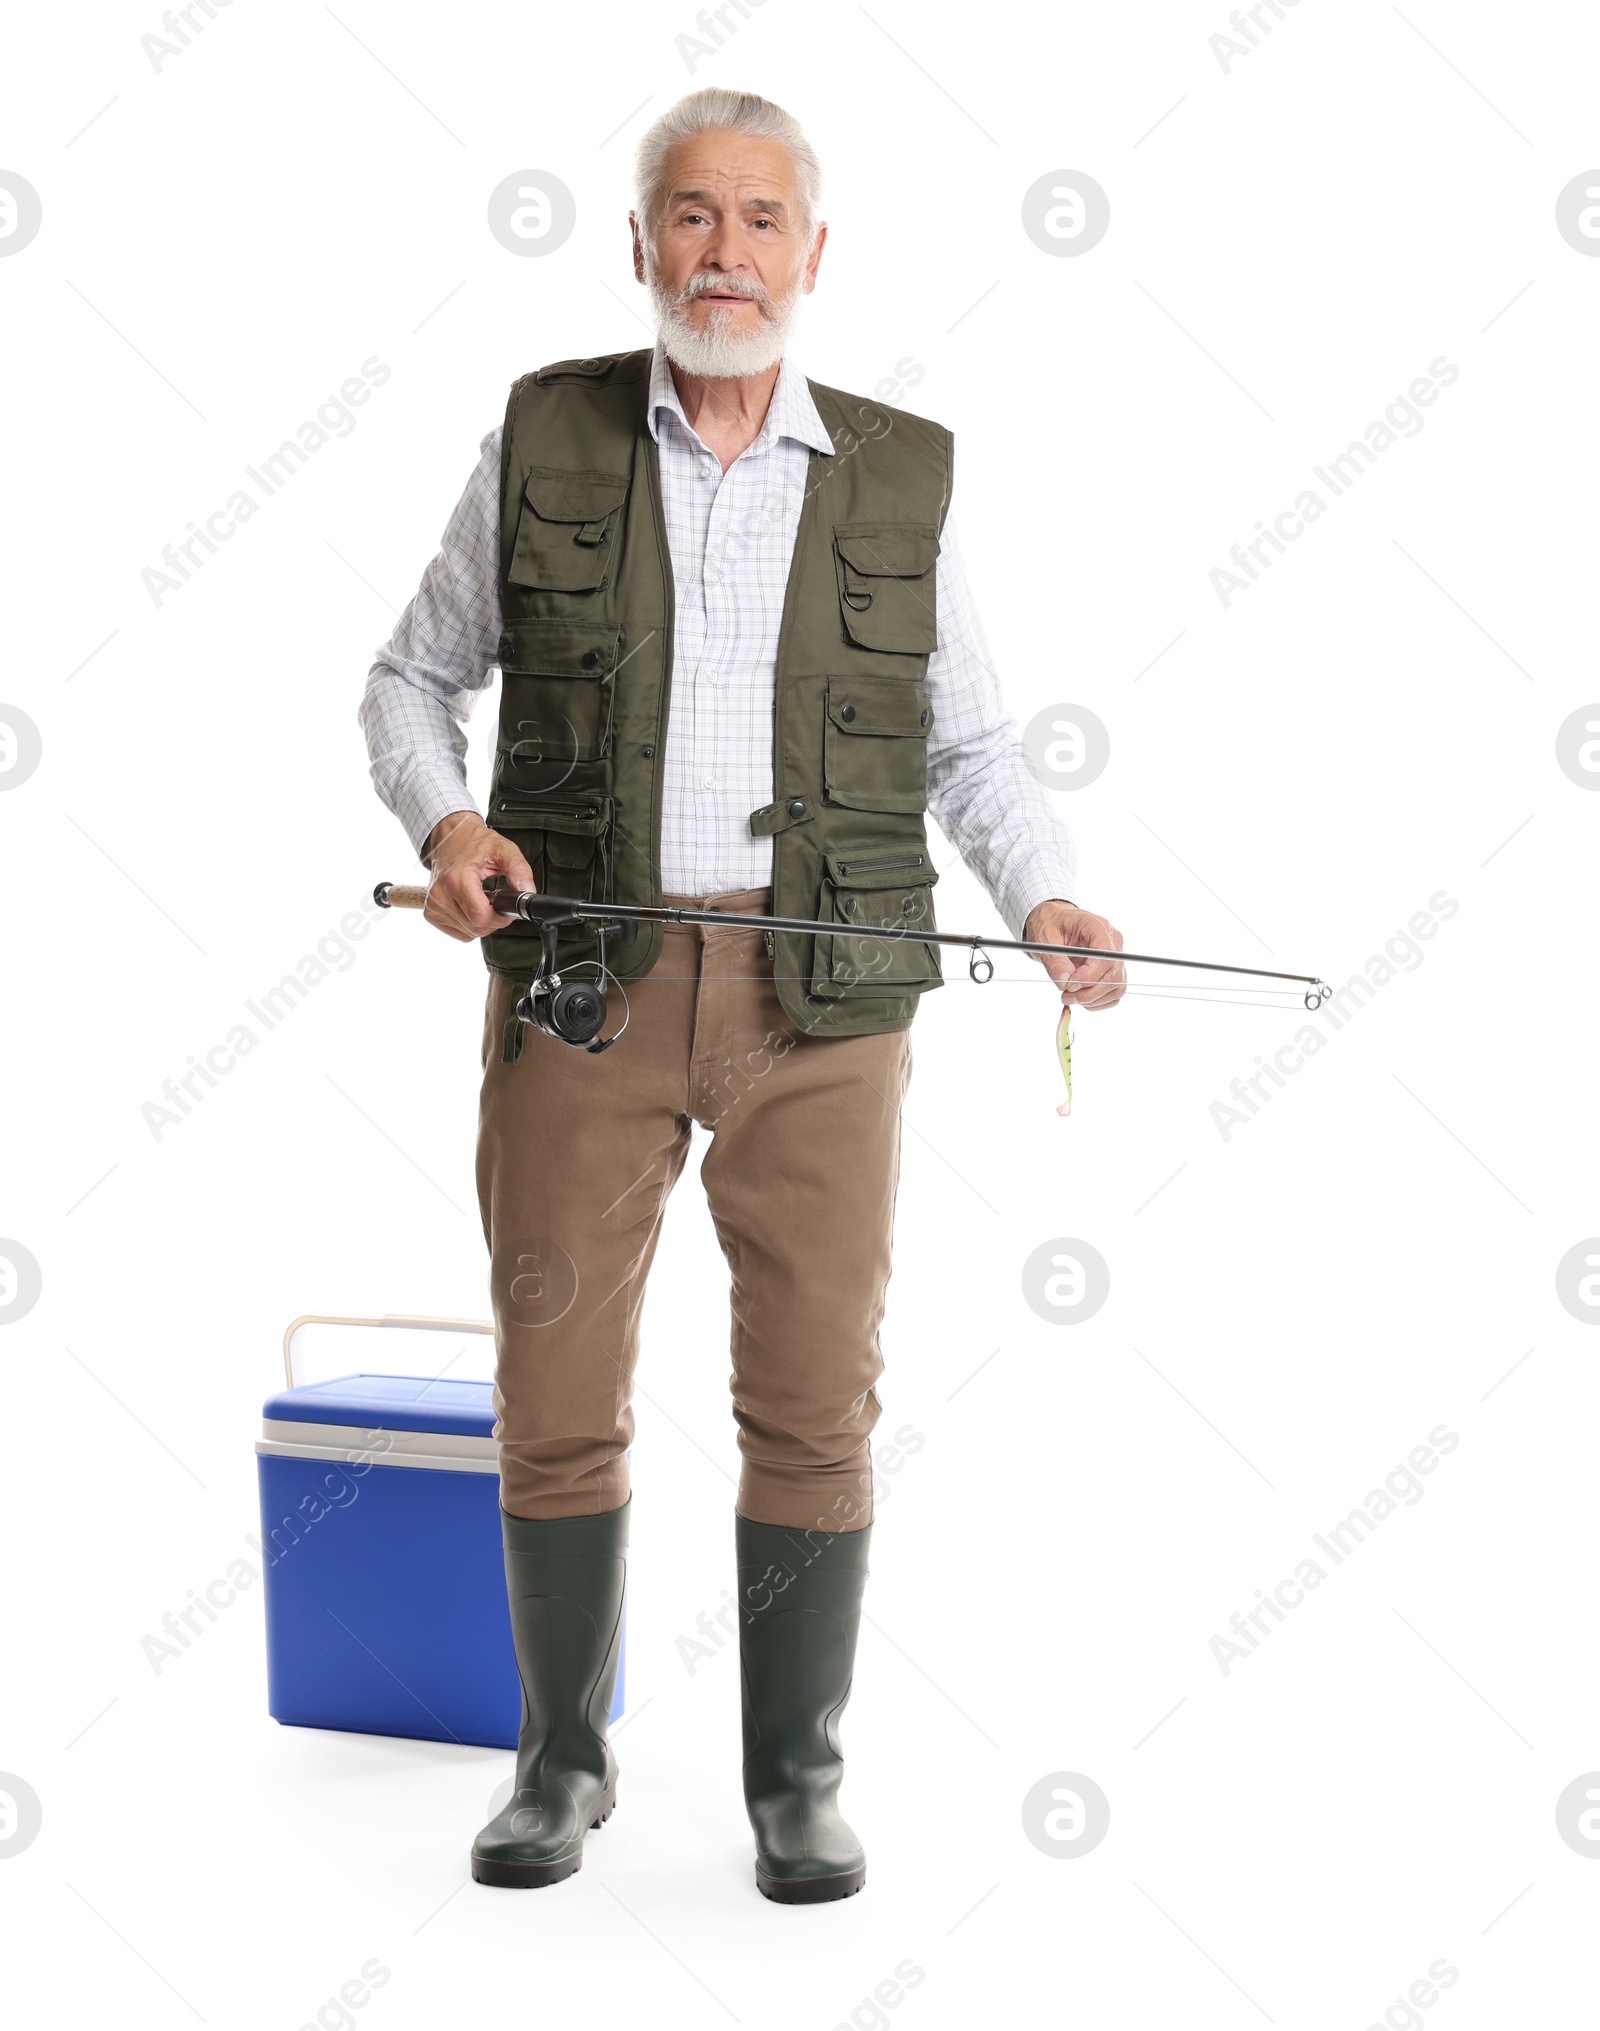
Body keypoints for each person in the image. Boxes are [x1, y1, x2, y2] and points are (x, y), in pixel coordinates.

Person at [360, 84, 1126, 1904]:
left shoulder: (898, 469)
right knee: (556, 1385)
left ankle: (795, 1775)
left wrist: (1054, 894)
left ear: (813, 253)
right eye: (690, 218)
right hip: (581, 992)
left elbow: (976, 748)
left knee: (813, 1397)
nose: (726, 254)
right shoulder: (542, 437)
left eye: (760, 220)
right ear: (640, 246)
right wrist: (450, 820)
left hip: (825, 1009)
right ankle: (560, 1762)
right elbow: (405, 680)